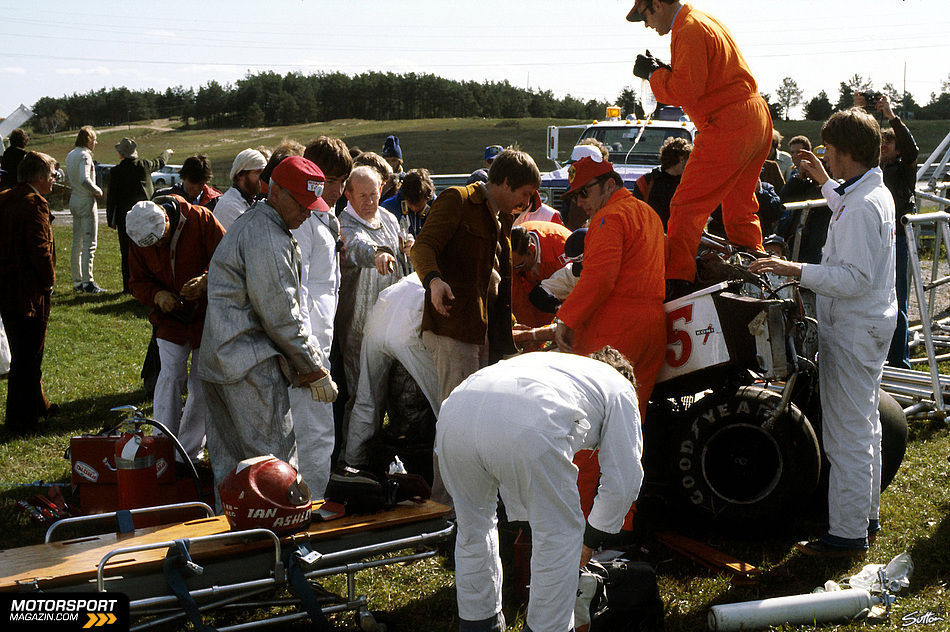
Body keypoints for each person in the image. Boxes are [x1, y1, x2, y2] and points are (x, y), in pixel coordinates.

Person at [749, 108, 896, 556]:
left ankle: (847, 534)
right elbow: (846, 204)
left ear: (847, 152)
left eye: (828, 152)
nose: (824, 157)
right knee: (865, 426)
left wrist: (791, 267)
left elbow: (853, 277)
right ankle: (864, 518)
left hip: (853, 328)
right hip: (871, 324)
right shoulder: (872, 191)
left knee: (846, 435)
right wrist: (822, 183)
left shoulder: (861, 206)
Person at [436, 348, 644, 632]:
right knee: (559, 536)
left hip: (455, 412)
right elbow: (624, 478)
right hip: (526, 421)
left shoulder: (557, 366)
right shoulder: (620, 388)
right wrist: (590, 541)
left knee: (474, 529)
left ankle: (478, 624)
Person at [198, 156, 338, 492]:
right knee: (274, 469)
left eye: (311, 205)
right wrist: (314, 367)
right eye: (302, 204)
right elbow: (281, 315)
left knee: (231, 474)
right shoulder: (269, 237)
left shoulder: (254, 224)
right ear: (276, 193)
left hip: (221, 361)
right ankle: (281, 541)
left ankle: (237, 538)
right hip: (250, 368)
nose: (307, 213)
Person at [410, 148, 539, 503]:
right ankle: (443, 507)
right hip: (453, 330)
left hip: (479, 333)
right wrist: (434, 281)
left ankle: (468, 501)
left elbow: (488, 279)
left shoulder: (498, 218)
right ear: (506, 183)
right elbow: (422, 248)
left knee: (475, 421)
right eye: (524, 194)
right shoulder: (457, 199)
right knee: (455, 421)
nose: (527, 203)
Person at [628, 0, 772, 299]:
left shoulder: (689, 29)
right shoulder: (702, 21)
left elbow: (684, 90)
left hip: (728, 122)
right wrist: (664, 71)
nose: (646, 24)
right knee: (740, 207)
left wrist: (654, 75)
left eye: (644, 15)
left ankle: (677, 286)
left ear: (657, 3)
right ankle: (758, 273)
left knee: (685, 208)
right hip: (754, 118)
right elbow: (701, 80)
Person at [554, 156, 665, 414]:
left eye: (584, 192)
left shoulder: (609, 217)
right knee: (631, 423)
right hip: (653, 328)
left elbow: (600, 279)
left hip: (616, 330)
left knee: (593, 423)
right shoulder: (649, 214)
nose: (580, 203)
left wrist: (566, 319)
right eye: (574, 197)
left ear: (610, 184)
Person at [126, 196, 225, 462]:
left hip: (207, 316)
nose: (159, 245)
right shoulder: (139, 236)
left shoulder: (201, 219)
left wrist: (206, 280)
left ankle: (188, 453)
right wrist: (157, 295)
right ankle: (162, 446)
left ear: (167, 219)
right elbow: (136, 281)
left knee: (202, 383)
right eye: (153, 243)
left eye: (161, 239)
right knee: (169, 377)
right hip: (170, 319)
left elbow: (228, 258)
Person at [288, 136, 352, 498]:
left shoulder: (325, 218)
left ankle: (309, 497)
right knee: (313, 430)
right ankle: (309, 504)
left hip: (320, 343)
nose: (340, 190)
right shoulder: (303, 221)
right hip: (306, 349)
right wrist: (307, 355)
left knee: (316, 429)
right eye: (335, 182)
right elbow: (298, 290)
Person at [337, 166, 409, 451]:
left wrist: (407, 246)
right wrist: (377, 253)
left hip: (392, 319)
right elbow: (356, 247)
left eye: (374, 195)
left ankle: (384, 453)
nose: (369, 202)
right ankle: (352, 457)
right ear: (349, 194)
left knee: (396, 390)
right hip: (359, 322)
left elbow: (402, 250)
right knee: (363, 393)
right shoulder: (343, 224)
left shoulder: (389, 219)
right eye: (362, 196)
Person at [341, 273, 441, 471]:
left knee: (366, 399)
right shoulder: (443, 273)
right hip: (408, 327)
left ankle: (352, 466)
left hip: (379, 319)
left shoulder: (414, 275)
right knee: (444, 401)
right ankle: (448, 478)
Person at [855, 93, 920, 370]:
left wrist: (892, 116)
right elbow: (855, 145)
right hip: (873, 238)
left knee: (898, 297)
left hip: (899, 238)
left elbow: (911, 149)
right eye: (881, 140)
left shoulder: (904, 168)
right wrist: (858, 111)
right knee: (870, 297)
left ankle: (899, 362)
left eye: (889, 141)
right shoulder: (873, 169)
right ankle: (876, 356)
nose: (884, 145)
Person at [0, 151, 59, 434]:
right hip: (29, 291)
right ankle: (20, 419)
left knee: (23, 351)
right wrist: (49, 281)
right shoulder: (34, 203)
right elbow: (41, 250)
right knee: (29, 355)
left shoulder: (6, 196)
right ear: (39, 177)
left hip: (7, 287)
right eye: (51, 175)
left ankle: (38, 405)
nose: (54, 179)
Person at [106, 138, 173, 292]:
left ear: (120, 154)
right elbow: (160, 161)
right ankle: (150, 283)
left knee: (126, 251)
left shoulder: (116, 171)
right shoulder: (144, 165)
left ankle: (128, 286)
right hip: (146, 215)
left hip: (125, 217)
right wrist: (167, 152)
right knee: (149, 249)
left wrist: (111, 219)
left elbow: (112, 198)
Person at [777, 135, 831, 264]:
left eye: (799, 152)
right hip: (792, 236)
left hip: (813, 241)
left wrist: (819, 177)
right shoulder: (799, 179)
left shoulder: (828, 179)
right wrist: (800, 177)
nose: (795, 156)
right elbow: (784, 197)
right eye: (792, 152)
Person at [65, 126, 106, 293]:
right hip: (85, 200)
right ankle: (87, 281)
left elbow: (71, 179)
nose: (95, 143)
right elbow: (84, 179)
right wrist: (97, 190)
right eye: (94, 140)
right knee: (89, 243)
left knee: (77, 242)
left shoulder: (70, 155)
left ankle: (77, 281)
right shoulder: (85, 156)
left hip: (74, 198)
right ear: (89, 140)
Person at [510, 221, 571, 329]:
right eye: (512, 267)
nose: (516, 271)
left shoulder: (562, 246)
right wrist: (528, 335)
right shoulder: (512, 251)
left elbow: (576, 291)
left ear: (531, 249)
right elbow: (519, 304)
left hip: (568, 284)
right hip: (535, 290)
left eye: (520, 266)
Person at [633, 135, 692, 229]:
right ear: (681, 159)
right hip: (652, 238)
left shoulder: (689, 183)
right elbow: (635, 215)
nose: (690, 165)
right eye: (688, 160)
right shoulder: (646, 182)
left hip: (679, 237)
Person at [213, 149, 268, 230]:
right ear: (240, 175)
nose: (262, 178)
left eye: (263, 173)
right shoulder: (229, 207)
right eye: (258, 172)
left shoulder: (249, 200)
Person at [381, 168, 435, 237]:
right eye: (410, 204)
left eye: (419, 205)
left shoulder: (437, 206)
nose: (415, 208)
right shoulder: (389, 207)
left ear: (427, 198)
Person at [154, 154, 222, 209]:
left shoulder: (216, 201)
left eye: (200, 184)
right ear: (183, 177)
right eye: (192, 183)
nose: (195, 188)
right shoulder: (162, 198)